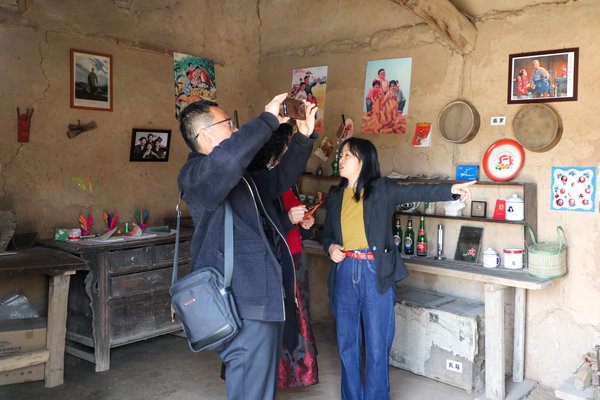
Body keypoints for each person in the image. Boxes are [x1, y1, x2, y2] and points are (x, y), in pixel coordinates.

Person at [177, 94, 318, 400]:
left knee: (257, 390)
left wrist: (303, 138)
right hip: (241, 301)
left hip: (258, 298)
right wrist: (268, 120)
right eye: (229, 124)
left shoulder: (238, 177)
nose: (237, 130)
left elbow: (277, 179)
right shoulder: (196, 175)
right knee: (252, 392)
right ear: (205, 135)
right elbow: (227, 159)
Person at [321, 138, 474, 400]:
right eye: (341, 155)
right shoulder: (335, 196)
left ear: (363, 160)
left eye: (347, 155)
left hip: (374, 271)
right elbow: (327, 235)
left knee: (377, 344)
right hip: (344, 270)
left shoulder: (381, 189)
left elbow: (415, 191)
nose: (341, 160)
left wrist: (451, 189)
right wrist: (331, 248)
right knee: (347, 344)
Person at [247, 123, 319, 388]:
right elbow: (260, 229)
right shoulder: (260, 182)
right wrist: (288, 219)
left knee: (299, 317)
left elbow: (293, 227)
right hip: (276, 262)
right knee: (280, 317)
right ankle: (278, 375)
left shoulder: (289, 183)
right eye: (289, 143)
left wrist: (305, 224)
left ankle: (298, 373)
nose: (291, 148)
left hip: (296, 258)